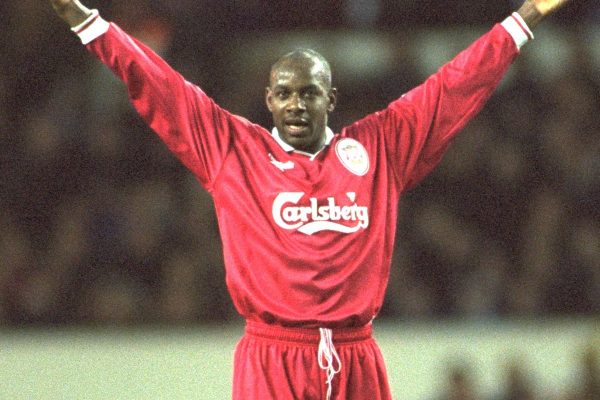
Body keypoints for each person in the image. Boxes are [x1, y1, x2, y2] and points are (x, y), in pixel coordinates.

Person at [48, 1, 571, 399]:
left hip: (356, 354)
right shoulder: (233, 150)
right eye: (285, 92)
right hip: (270, 356)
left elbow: (452, 88)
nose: (297, 103)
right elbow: (158, 84)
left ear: (331, 98)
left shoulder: (379, 148)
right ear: (268, 98)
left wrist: (523, 18)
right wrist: (88, 22)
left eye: (309, 92)